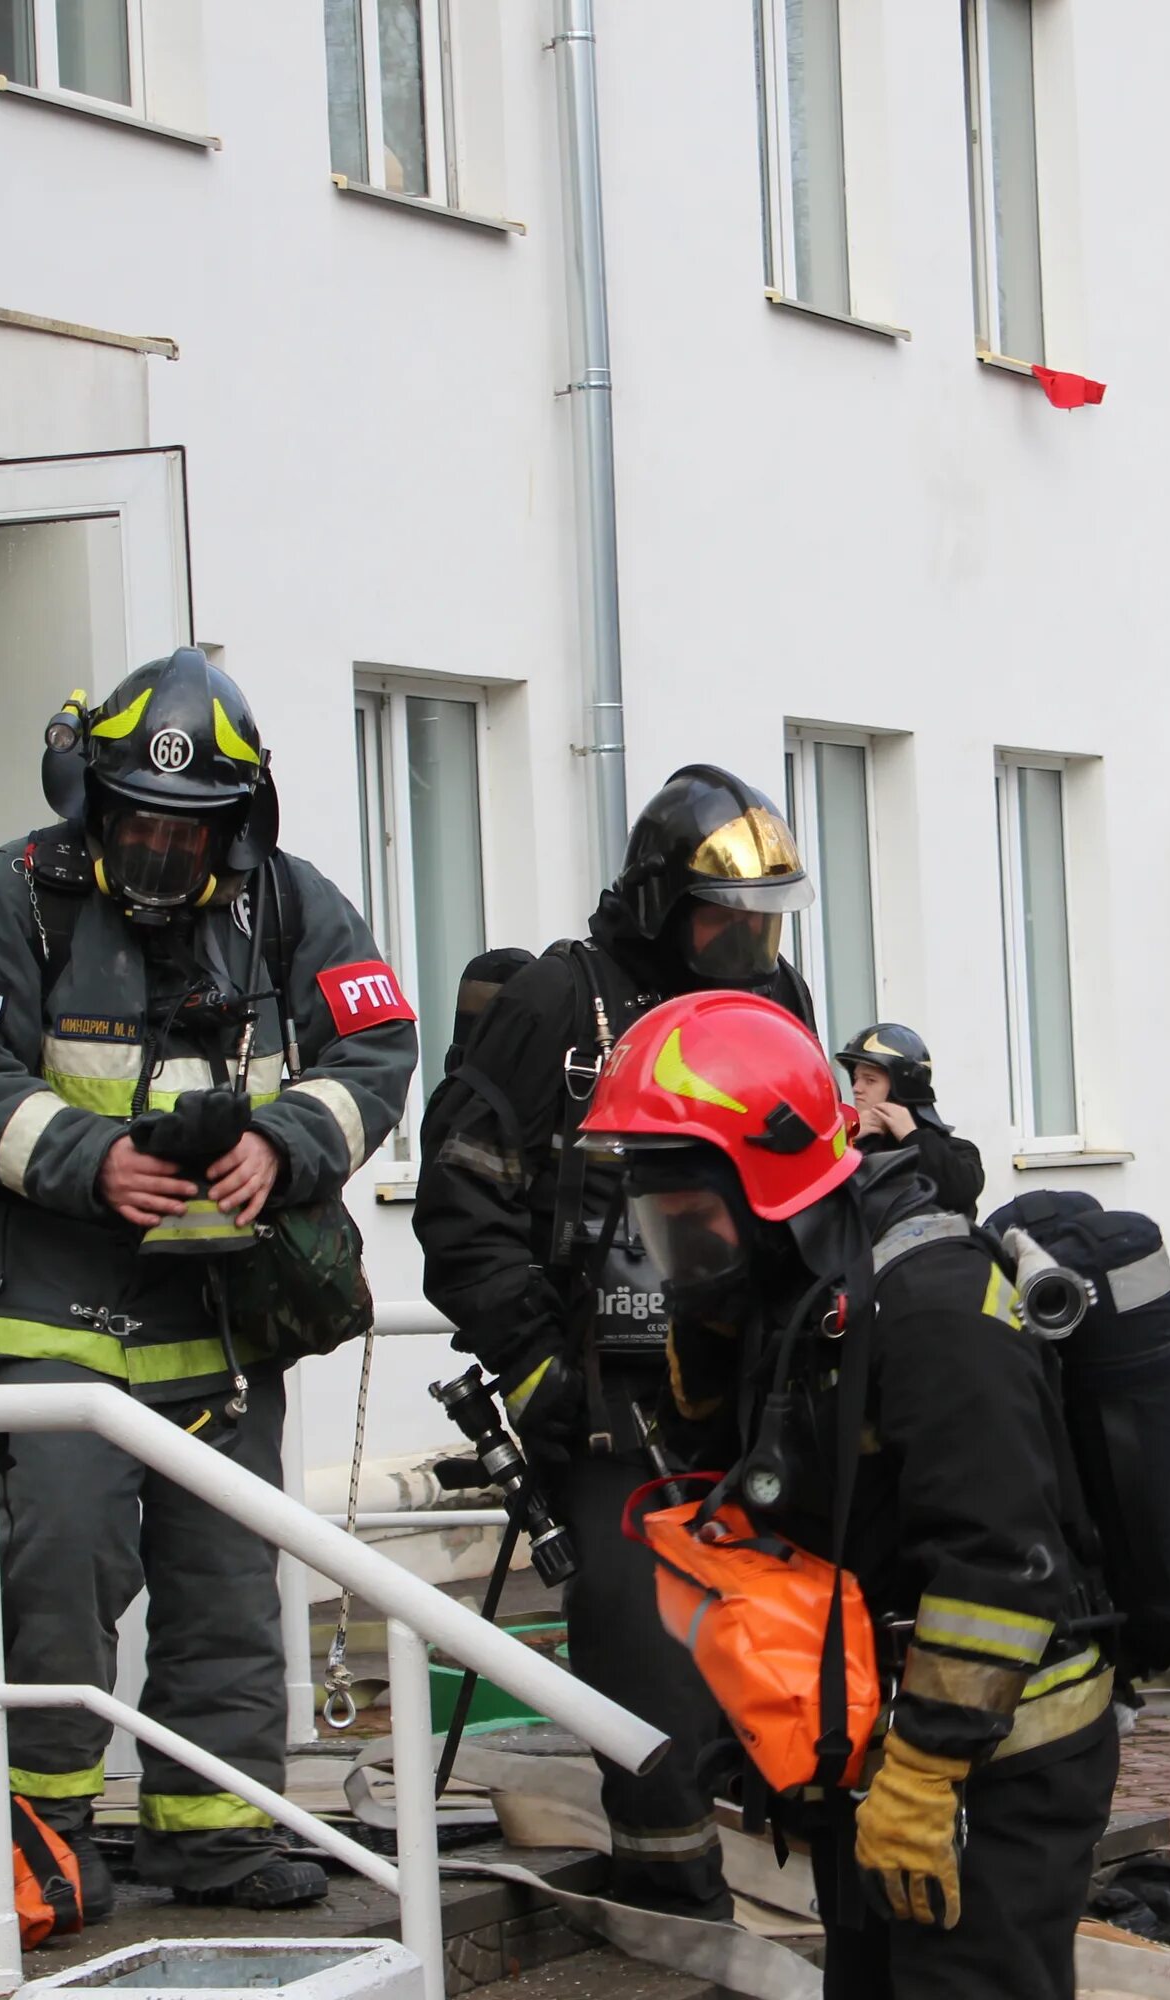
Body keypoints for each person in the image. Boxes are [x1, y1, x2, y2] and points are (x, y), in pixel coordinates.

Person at [0, 649, 416, 1912]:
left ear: (235, 824)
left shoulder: (291, 908)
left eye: (189, 829)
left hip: (222, 1327)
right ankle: (38, 1848)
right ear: (89, 795)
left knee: (229, 1591)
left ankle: (216, 1834)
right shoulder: (12, 898)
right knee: (58, 1572)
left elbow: (378, 1048)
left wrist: (279, 1145)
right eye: (137, 817)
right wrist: (96, 1162)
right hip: (53, 1318)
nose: (159, 846)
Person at [580, 989, 1114, 1998]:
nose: (671, 1252)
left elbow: (1005, 1565)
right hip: (875, 1757)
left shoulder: (933, 1305)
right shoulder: (795, 1299)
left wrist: (926, 1770)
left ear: (768, 1182)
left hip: (994, 1759)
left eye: (688, 1221)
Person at [412, 764, 816, 1916]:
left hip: (750, 1381)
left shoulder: (769, 999)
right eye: (723, 913)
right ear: (654, 899)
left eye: (763, 917)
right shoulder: (559, 1001)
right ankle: (672, 1890)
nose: (747, 937)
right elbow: (462, 1209)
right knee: (641, 1637)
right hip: (605, 1391)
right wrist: (540, 1365)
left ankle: (786, 1840)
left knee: (787, 1612)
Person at [836, 1023, 985, 1214]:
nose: (856, 1088)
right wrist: (846, 1138)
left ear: (903, 1088)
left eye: (870, 1080)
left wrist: (913, 1136)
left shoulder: (959, 1152)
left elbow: (959, 1193)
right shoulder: (851, 1145)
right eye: (855, 1078)